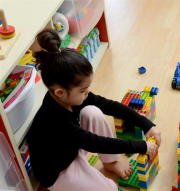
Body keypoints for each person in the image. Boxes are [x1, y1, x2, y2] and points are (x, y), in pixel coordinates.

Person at [27, 29, 161, 191]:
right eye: (83, 90)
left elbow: (108, 105)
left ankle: (110, 163)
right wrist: (141, 146)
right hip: (59, 172)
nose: (87, 93)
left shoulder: (68, 98)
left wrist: (146, 124)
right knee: (110, 188)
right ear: (60, 92)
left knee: (93, 111)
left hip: (70, 148)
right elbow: (95, 143)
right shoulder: (57, 120)